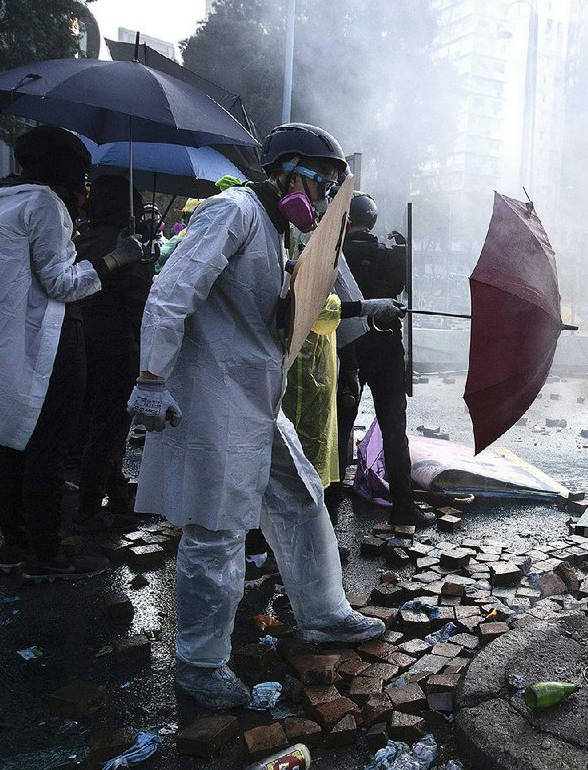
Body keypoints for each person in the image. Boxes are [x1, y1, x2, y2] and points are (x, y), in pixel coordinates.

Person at [127, 123, 390, 711]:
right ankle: (199, 664)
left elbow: (279, 313)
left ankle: (323, 615)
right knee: (217, 530)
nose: (322, 202)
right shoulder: (232, 211)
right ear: (289, 170)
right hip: (214, 394)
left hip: (253, 396)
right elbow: (172, 293)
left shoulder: (275, 232)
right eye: (320, 186)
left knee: (299, 495)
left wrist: (358, 307)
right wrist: (150, 377)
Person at [0, 125, 143, 581]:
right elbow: (59, 283)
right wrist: (114, 261)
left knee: (14, 442)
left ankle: (13, 546)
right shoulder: (45, 205)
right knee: (49, 446)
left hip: (8, 338)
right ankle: (48, 554)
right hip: (53, 341)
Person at [326, 193, 436, 527]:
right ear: (372, 221)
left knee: (339, 429)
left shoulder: (336, 253)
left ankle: (328, 514)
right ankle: (404, 504)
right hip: (387, 349)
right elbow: (401, 289)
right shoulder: (391, 256)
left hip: (349, 350)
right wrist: (401, 249)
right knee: (393, 427)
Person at [75, 175, 155, 532]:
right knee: (110, 430)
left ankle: (117, 491)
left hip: (84, 346)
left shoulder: (83, 240)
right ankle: (91, 508)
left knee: (98, 425)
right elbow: (139, 303)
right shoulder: (122, 246)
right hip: (119, 348)